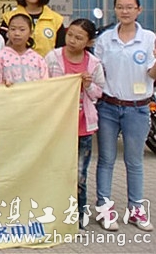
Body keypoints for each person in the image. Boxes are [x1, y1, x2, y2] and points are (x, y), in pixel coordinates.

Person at [94, 0, 156, 232]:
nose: (125, 11)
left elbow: (152, 73)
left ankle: (135, 210)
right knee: (106, 159)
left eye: (130, 7)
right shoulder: (105, 39)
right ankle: (104, 208)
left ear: (139, 10)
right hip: (108, 107)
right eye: (120, 7)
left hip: (137, 108)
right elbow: (98, 72)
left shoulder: (149, 38)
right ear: (115, 10)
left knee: (134, 161)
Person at [45, 19, 105, 224]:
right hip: (57, 126)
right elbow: (42, 85)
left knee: (79, 174)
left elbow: (99, 93)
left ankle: (78, 217)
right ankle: (54, 214)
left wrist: (88, 86)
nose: (72, 40)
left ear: (89, 42)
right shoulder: (53, 57)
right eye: (70, 35)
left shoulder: (94, 64)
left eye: (79, 38)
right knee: (55, 171)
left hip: (82, 128)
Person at [0, 0, 64, 57]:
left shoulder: (56, 20)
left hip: (48, 66)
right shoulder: (8, 18)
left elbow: (61, 52)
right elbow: (2, 49)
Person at [0, 13, 48, 85]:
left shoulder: (38, 60)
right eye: (13, 29)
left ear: (30, 33)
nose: (17, 33)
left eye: (22, 30)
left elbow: (45, 85)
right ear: (8, 32)